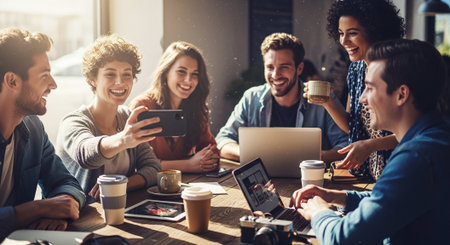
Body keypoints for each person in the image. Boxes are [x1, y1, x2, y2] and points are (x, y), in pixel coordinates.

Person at [291, 39, 450, 244]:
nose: (362, 99)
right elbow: (389, 201)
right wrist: (335, 196)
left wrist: (319, 212)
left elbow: (343, 238)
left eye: (370, 88)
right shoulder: (435, 137)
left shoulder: (415, 157)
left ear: (401, 94)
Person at [304, 0, 405, 180]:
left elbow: (416, 131)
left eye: (352, 33)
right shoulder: (356, 69)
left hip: (400, 172)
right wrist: (328, 101)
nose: (343, 41)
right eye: (341, 33)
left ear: (375, 32)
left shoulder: (398, 69)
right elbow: (352, 126)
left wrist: (371, 145)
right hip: (370, 175)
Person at [0, 28, 86, 240]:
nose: (53, 85)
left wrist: (61, 207)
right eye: (44, 75)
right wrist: (37, 209)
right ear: (12, 81)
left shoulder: (33, 129)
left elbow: (66, 182)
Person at [56, 35, 161, 202]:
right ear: (93, 79)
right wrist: (123, 140)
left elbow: (154, 168)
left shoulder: (126, 116)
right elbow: (87, 156)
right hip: (83, 216)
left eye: (127, 75)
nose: (120, 82)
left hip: (120, 211)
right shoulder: (74, 122)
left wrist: (121, 185)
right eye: (110, 74)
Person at [215, 32, 348, 163]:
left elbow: (346, 145)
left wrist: (315, 157)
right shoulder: (251, 98)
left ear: (299, 68)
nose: (275, 75)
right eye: (270, 67)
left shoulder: (322, 100)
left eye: (284, 67)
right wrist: (252, 156)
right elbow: (222, 141)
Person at [129, 41, 219, 173]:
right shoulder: (143, 106)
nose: (188, 80)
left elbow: (212, 150)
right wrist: (188, 165)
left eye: (195, 74)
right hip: (149, 187)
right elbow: (137, 165)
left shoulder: (195, 109)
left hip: (185, 185)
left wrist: (208, 159)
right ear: (166, 72)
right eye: (181, 72)